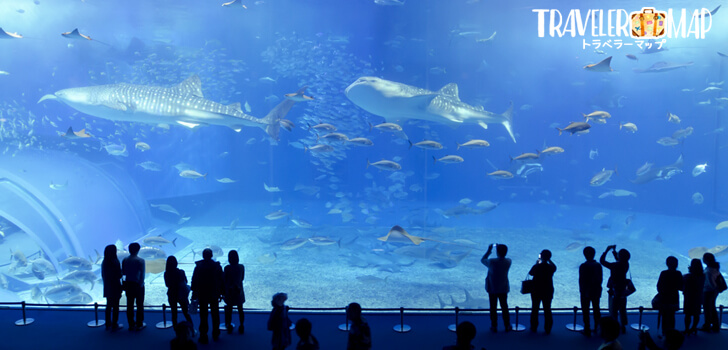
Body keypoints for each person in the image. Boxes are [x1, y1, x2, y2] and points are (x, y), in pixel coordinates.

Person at [191, 248, 224, 344]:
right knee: (215, 314)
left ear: (203, 256)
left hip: (202, 294)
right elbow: (221, 281)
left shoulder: (198, 267)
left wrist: (194, 294)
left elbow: (194, 281)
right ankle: (216, 333)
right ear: (211, 255)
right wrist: (222, 293)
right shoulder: (217, 266)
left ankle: (203, 335)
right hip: (214, 294)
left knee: (203, 315)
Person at [480, 243, 512, 333]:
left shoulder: (492, 261)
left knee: (493, 307)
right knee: (504, 307)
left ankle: (494, 326)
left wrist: (489, 250)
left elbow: (482, 260)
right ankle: (507, 325)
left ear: (497, 252)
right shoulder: (508, 261)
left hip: (493, 288)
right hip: (503, 288)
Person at [600, 245, 631, 334]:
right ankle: (623, 325)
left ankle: (614, 325)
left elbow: (602, 261)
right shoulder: (626, 264)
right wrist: (614, 251)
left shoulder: (615, 265)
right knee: (622, 308)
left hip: (614, 290)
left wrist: (606, 250)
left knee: (613, 309)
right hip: (623, 289)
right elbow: (619, 259)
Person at [529, 249, 557, 334]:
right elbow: (555, 267)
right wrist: (548, 260)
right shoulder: (551, 267)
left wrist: (537, 263)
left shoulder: (537, 266)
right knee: (547, 309)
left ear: (541, 256)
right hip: (547, 290)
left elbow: (531, 273)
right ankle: (548, 328)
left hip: (536, 290)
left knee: (535, 309)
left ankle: (534, 327)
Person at [164, 256, 193, 330]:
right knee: (186, 313)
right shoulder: (181, 272)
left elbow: (167, 285)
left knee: (174, 314)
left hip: (172, 294)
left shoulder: (166, 273)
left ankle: (176, 331)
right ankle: (191, 329)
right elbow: (185, 282)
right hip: (182, 295)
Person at [579, 246, 603, 337]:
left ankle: (587, 329)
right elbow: (600, 279)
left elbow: (581, 280)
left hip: (585, 292)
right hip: (596, 291)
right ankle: (597, 328)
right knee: (597, 309)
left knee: (585, 310)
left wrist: (582, 291)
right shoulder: (598, 265)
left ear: (584, 255)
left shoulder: (583, 266)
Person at [656, 256, 682, 335]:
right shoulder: (678, 273)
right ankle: (672, 333)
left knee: (664, 316)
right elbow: (681, 286)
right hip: (674, 298)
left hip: (664, 298)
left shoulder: (663, 273)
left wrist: (662, 293)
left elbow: (659, 286)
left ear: (667, 264)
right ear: (676, 264)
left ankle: (664, 333)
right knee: (672, 316)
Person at [122, 242, 145, 331]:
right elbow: (142, 275)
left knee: (129, 304)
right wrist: (141, 285)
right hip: (137, 284)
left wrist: (123, 284)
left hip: (128, 284)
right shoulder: (140, 260)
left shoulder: (125, 260)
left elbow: (123, 273)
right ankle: (139, 323)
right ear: (138, 250)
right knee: (139, 305)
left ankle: (131, 324)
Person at [223, 250, 245, 335]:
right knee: (240, 309)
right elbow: (242, 278)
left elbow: (224, 279)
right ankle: (242, 325)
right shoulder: (241, 267)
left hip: (230, 292)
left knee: (229, 309)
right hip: (239, 291)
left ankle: (229, 326)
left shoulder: (227, 268)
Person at [101, 244, 123, 331]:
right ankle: (114, 324)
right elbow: (119, 275)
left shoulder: (104, 261)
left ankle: (108, 323)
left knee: (109, 305)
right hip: (115, 286)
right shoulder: (114, 261)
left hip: (107, 286)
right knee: (116, 306)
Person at [700, 252, 723, 332]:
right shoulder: (715, 268)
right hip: (713, 291)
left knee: (707, 309)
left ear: (706, 260)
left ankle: (707, 325)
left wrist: (713, 288)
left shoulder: (709, 270)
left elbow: (711, 283)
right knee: (712, 308)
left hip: (708, 291)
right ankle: (715, 325)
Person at [681, 259, 704, 335]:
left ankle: (687, 329)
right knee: (696, 314)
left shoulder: (688, 276)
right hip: (698, 297)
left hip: (689, 297)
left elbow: (683, 285)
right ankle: (694, 328)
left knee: (688, 314)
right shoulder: (703, 276)